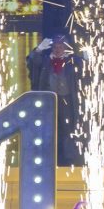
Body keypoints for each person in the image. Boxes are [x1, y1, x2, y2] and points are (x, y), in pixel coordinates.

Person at [27, 34, 82, 166]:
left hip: (66, 100)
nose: (58, 49)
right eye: (56, 46)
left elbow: (83, 67)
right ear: (52, 48)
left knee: (68, 128)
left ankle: (68, 156)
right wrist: (38, 49)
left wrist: (85, 56)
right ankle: (48, 154)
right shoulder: (45, 61)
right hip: (48, 101)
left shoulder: (71, 61)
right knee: (48, 128)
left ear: (65, 48)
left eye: (61, 46)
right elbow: (32, 60)